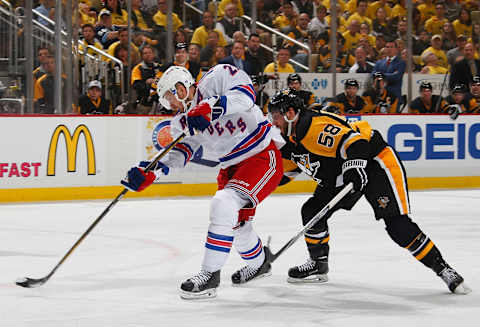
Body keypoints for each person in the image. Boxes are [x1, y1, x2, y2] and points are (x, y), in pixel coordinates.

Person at [267, 88, 471, 295]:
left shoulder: (314, 127)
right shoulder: (288, 139)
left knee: (397, 226)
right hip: (344, 171)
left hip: (374, 162)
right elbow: (283, 173)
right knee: (311, 210)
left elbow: (356, 143)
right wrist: (256, 190)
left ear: (290, 113)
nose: (272, 121)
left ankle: (444, 268)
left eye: (275, 115)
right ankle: (318, 264)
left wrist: (355, 167)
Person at [121, 64, 285, 299]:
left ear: (181, 88)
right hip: (230, 167)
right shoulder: (182, 121)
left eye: (170, 99)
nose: (172, 106)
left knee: (223, 204)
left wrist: (211, 107)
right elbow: (184, 151)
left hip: (259, 154)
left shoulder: (216, 78)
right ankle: (261, 262)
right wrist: (152, 172)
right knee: (238, 226)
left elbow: (247, 95)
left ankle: (209, 275)